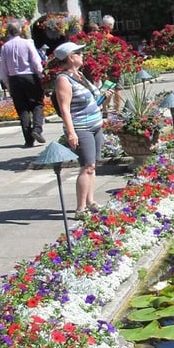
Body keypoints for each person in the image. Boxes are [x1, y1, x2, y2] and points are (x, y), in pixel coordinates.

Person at [53, 42, 107, 218]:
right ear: (70, 57)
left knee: (93, 165)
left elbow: (91, 99)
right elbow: (65, 109)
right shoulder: (63, 80)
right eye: (79, 52)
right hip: (81, 128)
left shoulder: (79, 75)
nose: (82, 55)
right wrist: (71, 132)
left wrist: (104, 97)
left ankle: (91, 201)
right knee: (87, 166)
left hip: (95, 125)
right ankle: (80, 208)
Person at [0, 20, 46, 147]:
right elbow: (36, 62)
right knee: (37, 104)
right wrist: (41, 76)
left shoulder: (5, 47)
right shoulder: (27, 43)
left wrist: (7, 83)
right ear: (20, 30)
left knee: (22, 108)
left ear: (8, 32)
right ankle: (37, 129)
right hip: (29, 76)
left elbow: (3, 68)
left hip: (14, 79)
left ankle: (28, 139)